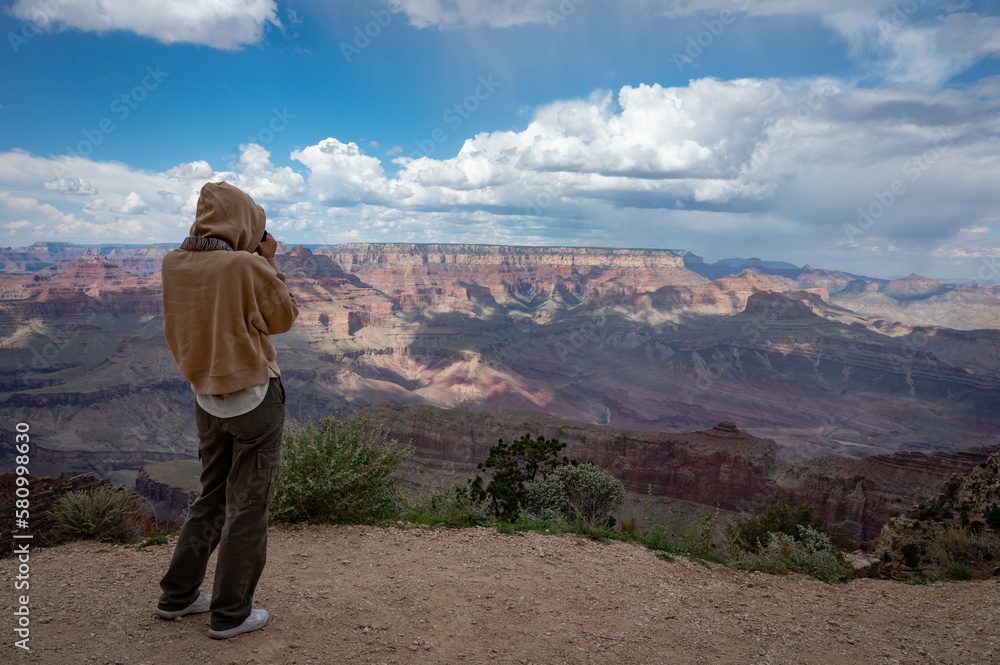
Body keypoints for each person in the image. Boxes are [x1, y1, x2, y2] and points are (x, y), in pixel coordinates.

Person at [154, 181, 299, 639]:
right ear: (243, 222)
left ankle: (177, 597)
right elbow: (283, 318)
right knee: (248, 507)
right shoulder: (243, 265)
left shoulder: (173, 262)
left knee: (210, 496)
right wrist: (268, 260)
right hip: (254, 398)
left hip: (205, 397)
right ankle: (231, 613)